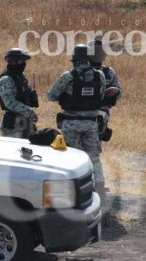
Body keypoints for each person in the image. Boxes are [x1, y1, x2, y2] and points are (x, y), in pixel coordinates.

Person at [47, 44, 107, 208]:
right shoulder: (99, 75)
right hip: (91, 124)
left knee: (73, 160)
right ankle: (100, 190)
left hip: (71, 123)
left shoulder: (68, 77)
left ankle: (78, 195)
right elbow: (101, 95)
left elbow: (51, 96)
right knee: (94, 159)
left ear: (74, 60)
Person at [0, 48, 39, 139]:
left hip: (25, 122)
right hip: (13, 126)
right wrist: (29, 111)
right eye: (21, 61)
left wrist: (31, 96)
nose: (24, 63)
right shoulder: (5, 80)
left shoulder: (21, 76)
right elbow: (10, 103)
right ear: (13, 62)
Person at [88, 38, 123, 142]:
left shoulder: (109, 72)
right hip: (81, 112)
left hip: (100, 114)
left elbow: (120, 92)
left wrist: (116, 91)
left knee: (94, 146)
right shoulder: (80, 71)